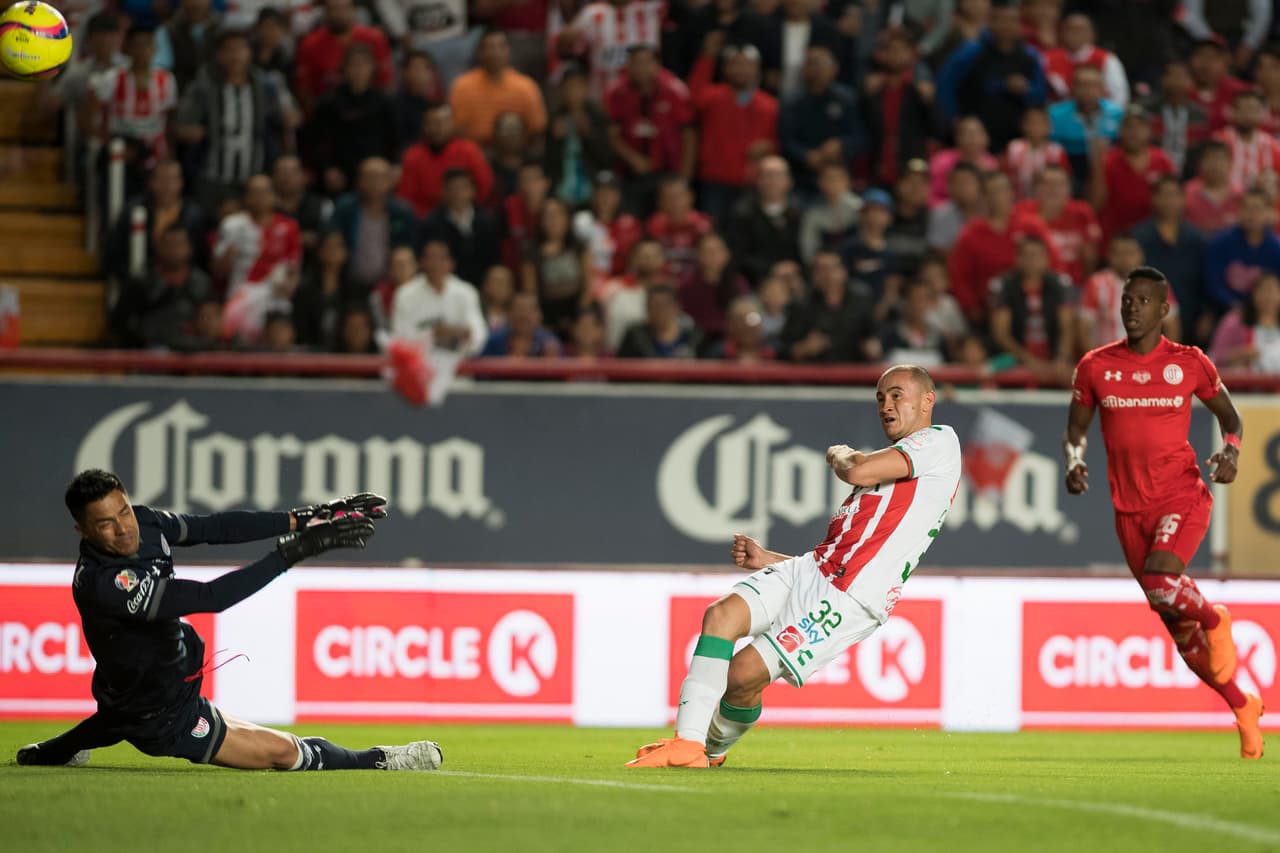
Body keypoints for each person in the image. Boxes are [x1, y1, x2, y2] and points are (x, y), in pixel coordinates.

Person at [627, 364, 961, 768]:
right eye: (880, 398)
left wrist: (839, 453)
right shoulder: (895, 471)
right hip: (814, 570)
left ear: (927, 401)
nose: (886, 405)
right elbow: (840, 552)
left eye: (896, 395)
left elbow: (855, 468)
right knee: (721, 615)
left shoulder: (939, 441)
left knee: (742, 676)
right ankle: (687, 744)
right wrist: (768, 559)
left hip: (849, 598)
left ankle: (710, 750)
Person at [15, 471, 442, 772]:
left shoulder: (145, 522)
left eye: (123, 511)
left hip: (146, 685)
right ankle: (381, 759)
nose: (123, 528)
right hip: (161, 714)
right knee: (283, 752)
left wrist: (306, 517)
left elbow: (215, 528)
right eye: (105, 524)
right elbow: (210, 598)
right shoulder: (107, 583)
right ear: (83, 531)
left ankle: (51, 752)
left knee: (119, 714)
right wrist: (292, 553)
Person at [1063, 266, 1262, 760]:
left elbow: (1231, 418)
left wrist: (1231, 452)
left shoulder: (1189, 362)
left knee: (1161, 581)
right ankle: (1243, 706)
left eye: (1143, 301)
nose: (1132, 308)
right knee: (1178, 633)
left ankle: (1215, 618)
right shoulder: (1095, 367)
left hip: (1181, 495)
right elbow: (1076, 430)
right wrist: (1074, 461)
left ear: (1163, 309)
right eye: (1127, 300)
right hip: (1129, 511)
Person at [937, 1, 1047, 151]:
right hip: (975, 138)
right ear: (990, 22)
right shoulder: (970, 52)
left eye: (1012, 20)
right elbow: (945, 86)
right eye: (1001, 20)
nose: (1007, 26)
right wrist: (953, 119)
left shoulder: (1030, 56)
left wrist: (1026, 90)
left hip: (1017, 140)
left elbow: (1040, 95)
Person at [214, 175, 302, 343]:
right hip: (240, 295)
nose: (260, 197)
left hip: (275, 299)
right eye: (254, 193)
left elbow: (294, 268)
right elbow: (218, 270)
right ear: (246, 197)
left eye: (264, 192)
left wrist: (289, 287)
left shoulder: (288, 227)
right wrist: (229, 256)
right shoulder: (233, 225)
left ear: (273, 195)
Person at [306, 43, 399, 196]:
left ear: (372, 67)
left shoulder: (384, 101)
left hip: (376, 172)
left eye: (364, 64)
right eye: (354, 64)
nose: (359, 70)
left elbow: (394, 138)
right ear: (344, 68)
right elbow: (317, 140)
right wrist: (327, 168)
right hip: (341, 174)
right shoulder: (329, 102)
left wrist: (394, 165)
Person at [1133, 176, 1210, 344]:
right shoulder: (1138, 237)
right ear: (1154, 199)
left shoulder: (1196, 239)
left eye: (1174, 195)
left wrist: (1206, 313)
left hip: (1191, 316)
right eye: (1164, 195)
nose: (1169, 201)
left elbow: (1205, 279)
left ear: (1183, 199)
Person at [988, 236, 1076, 382]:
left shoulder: (1060, 285)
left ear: (1046, 259)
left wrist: (1061, 357)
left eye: (1037, 255)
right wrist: (1029, 361)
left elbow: (1067, 327)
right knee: (988, 367)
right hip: (1014, 359)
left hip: (1054, 358)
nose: (1032, 260)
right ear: (1018, 258)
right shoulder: (1004, 286)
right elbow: (1001, 334)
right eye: (1027, 255)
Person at [1079, 234, 1180, 350]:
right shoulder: (1096, 283)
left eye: (1130, 253)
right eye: (1119, 253)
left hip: (1147, 357)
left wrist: (1164, 357)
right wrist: (1095, 358)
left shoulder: (1157, 283)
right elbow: (1083, 329)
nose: (1125, 259)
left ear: (1141, 255)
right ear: (1109, 256)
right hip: (1108, 356)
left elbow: (1172, 326)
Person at [449, 29, 547, 148]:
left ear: (508, 51)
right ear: (480, 52)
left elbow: (537, 129)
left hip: (514, 151)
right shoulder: (462, 86)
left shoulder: (526, 87)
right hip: (474, 150)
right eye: (489, 47)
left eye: (500, 47)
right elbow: (456, 129)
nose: (494, 53)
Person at [396, 101, 494, 218]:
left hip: (464, 215)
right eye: (433, 123)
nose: (438, 128)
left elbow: (484, 186)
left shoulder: (468, 150)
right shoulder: (412, 156)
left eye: (443, 122)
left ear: (452, 123)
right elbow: (406, 197)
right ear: (424, 126)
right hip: (424, 220)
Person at [780, 250, 879, 363]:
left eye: (830, 268)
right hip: (813, 370)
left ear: (843, 271)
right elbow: (783, 349)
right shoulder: (801, 304)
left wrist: (873, 346)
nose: (826, 275)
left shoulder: (861, 299)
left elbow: (875, 334)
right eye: (819, 269)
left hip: (853, 368)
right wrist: (803, 348)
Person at [391, 240, 488, 355]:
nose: (436, 264)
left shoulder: (466, 292)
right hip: (420, 361)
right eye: (431, 258)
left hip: (459, 360)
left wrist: (462, 334)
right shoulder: (405, 294)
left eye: (441, 259)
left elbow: (478, 333)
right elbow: (400, 336)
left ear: (451, 263)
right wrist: (432, 334)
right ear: (422, 263)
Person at [293, 0, 392, 112]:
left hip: (372, 110)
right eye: (334, 9)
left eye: (345, 8)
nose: (340, 13)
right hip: (327, 112)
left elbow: (386, 82)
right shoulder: (309, 45)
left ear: (354, 10)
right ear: (325, 12)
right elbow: (304, 89)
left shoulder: (375, 39)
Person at [421, 168, 503, 292]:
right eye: (453, 188)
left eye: (463, 188)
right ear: (444, 192)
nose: (458, 193)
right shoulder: (432, 224)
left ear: (472, 191)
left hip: (483, 287)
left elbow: (494, 259)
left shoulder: (487, 222)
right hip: (446, 287)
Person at [1205, 188, 1280, 312]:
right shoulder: (1221, 242)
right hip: (1224, 309)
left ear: (1268, 213)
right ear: (1239, 211)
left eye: (1257, 209)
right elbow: (1214, 284)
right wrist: (1235, 306)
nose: (1252, 214)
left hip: (1265, 312)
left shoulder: (1276, 248)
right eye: (1247, 208)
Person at [1042, 12, 1129, 109]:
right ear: (1061, 33)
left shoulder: (1107, 59)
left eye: (1080, 30)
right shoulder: (1047, 58)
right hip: (1057, 114)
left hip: (1100, 114)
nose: (1075, 34)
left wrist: (1109, 116)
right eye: (1070, 29)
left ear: (1092, 34)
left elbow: (1119, 95)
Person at [1209, 272, 1280, 371]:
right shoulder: (1234, 321)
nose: (1269, 297)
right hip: (1243, 379)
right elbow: (1213, 357)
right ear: (1253, 294)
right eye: (1264, 291)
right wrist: (1240, 354)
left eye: (1274, 291)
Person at [1213, 89, 1280, 190]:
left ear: (1263, 113)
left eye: (1252, 109)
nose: (1247, 114)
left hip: (1261, 198)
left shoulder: (1273, 145)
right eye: (1242, 109)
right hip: (1226, 197)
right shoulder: (1218, 141)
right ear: (1232, 112)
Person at [799, 162, 861, 264]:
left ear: (847, 181)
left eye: (837, 178)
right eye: (828, 178)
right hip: (824, 263)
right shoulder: (812, 212)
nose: (833, 183)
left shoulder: (858, 207)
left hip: (854, 259)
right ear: (820, 182)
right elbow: (808, 245)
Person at [1182, 140, 1243, 236]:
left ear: (1230, 163)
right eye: (1209, 158)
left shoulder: (1242, 195)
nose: (1215, 164)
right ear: (1199, 163)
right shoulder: (1185, 192)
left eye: (1219, 158)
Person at [480, 291, 562, 357]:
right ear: (508, 314)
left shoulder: (549, 342)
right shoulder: (492, 341)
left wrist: (550, 362)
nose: (524, 315)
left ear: (539, 316)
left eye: (529, 310)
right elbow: (480, 369)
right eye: (519, 309)